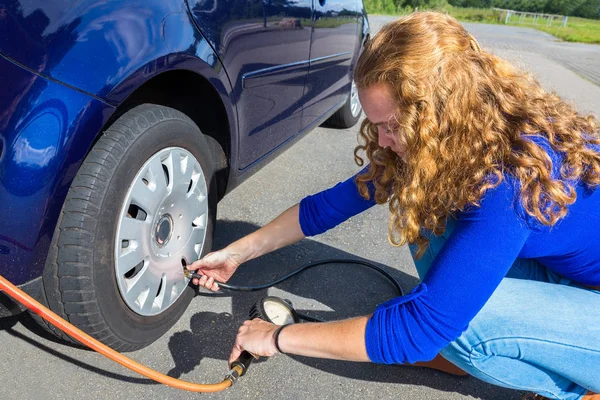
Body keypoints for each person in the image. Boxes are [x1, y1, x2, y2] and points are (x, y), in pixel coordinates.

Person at [188, 11, 600, 400]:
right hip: (566, 275)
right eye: (376, 124)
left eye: (391, 126)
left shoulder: (510, 179)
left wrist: (274, 337)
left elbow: (418, 328)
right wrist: (236, 253)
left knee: (462, 329)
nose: (381, 140)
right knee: (426, 206)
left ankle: (578, 385)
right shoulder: (464, 136)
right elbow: (327, 207)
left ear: (440, 114)